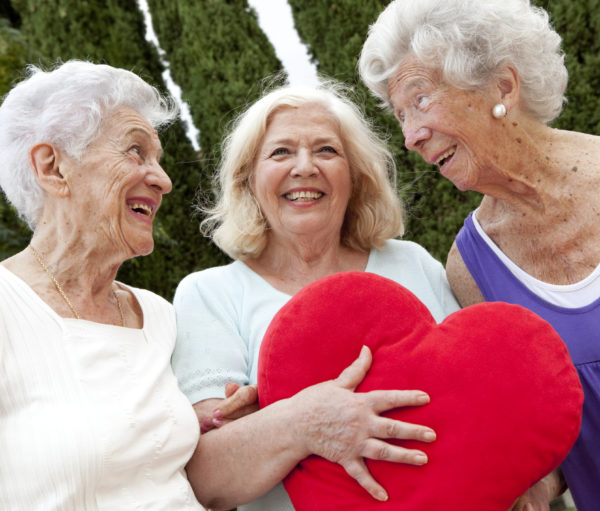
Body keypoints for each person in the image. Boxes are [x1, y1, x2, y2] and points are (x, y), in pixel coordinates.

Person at [172, 82, 461, 510]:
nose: (304, 167)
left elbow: (469, 389)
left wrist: (266, 423)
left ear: (356, 176)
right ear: (248, 180)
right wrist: (305, 422)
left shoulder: (412, 264)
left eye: (326, 150)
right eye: (281, 152)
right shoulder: (210, 294)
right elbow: (208, 479)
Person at [359, 1, 600, 510]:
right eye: (402, 116)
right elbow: (547, 434)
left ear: (503, 87)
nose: (410, 137)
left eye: (421, 100)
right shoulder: (471, 268)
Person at [0, 60, 205, 510]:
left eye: (158, 160)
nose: (164, 181)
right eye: (135, 152)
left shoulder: (160, 316)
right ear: (53, 168)